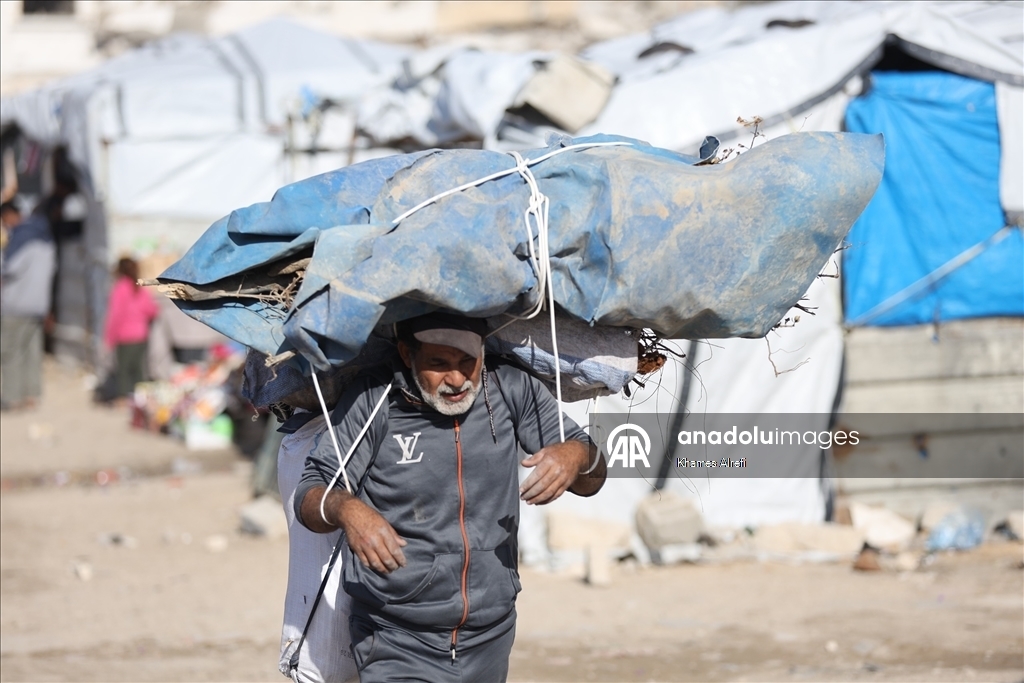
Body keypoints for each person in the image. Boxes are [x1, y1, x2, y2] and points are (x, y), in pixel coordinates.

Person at [296, 312, 606, 682]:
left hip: (491, 634)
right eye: (439, 363)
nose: (457, 379)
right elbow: (311, 490)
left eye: (467, 362)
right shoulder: (374, 398)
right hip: (395, 636)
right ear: (406, 353)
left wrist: (576, 454)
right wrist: (347, 509)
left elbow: (592, 480)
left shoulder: (510, 387)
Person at [0, 200, 56, 411]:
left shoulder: (20, 237)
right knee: (32, 353)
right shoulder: (46, 236)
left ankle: (12, 398)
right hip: (38, 304)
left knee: (10, 352)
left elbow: (9, 268)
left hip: (15, 305)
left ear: (9, 215)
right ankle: (32, 396)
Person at [103, 257, 158, 400]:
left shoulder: (120, 288)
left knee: (123, 370)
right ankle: (141, 399)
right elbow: (152, 310)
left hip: (125, 337)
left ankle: (123, 398)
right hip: (141, 336)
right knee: (138, 370)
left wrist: (109, 338)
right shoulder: (140, 288)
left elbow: (115, 315)